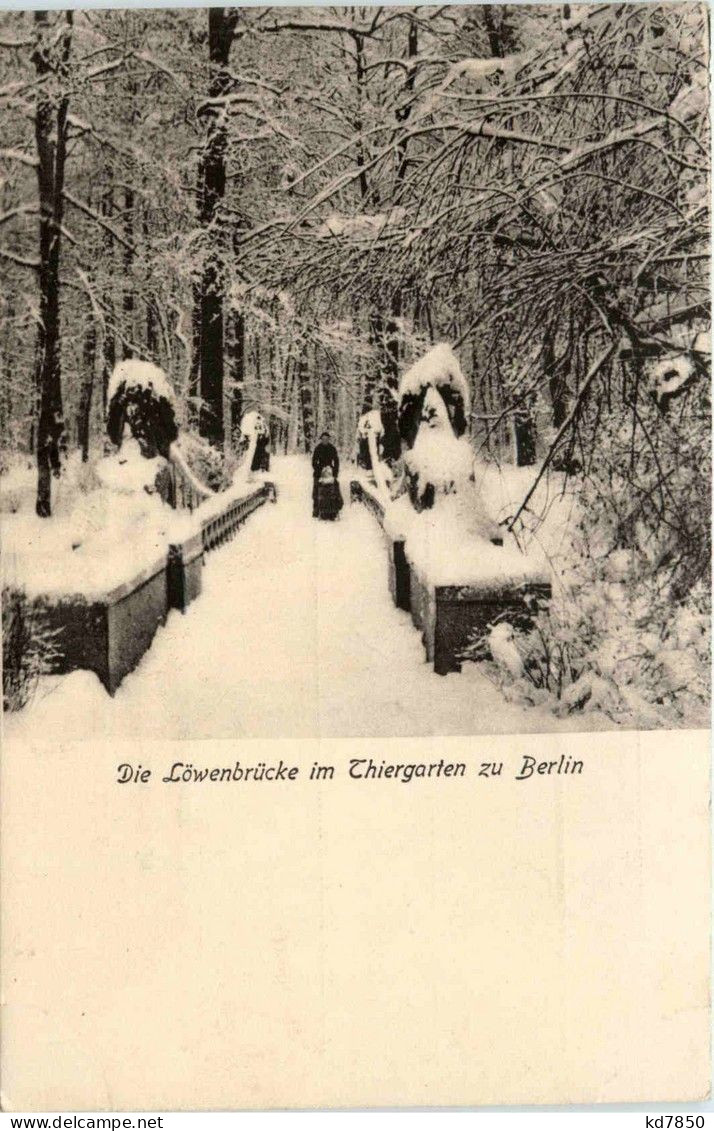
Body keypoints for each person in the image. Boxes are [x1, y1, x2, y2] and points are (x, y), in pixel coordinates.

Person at [312, 431, 340, 518]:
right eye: (323, 439)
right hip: (319, 471)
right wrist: (318, 470)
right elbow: (313, 461)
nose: (325, 441)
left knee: (335, 487)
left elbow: (336, 461)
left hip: (330, 471)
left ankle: (335, 508)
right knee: (316, 489)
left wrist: (335, 472)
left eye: (326, 439)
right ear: (321, 440)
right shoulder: (318, 448)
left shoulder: (332, 448)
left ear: (329, 440)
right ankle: (316, 509)